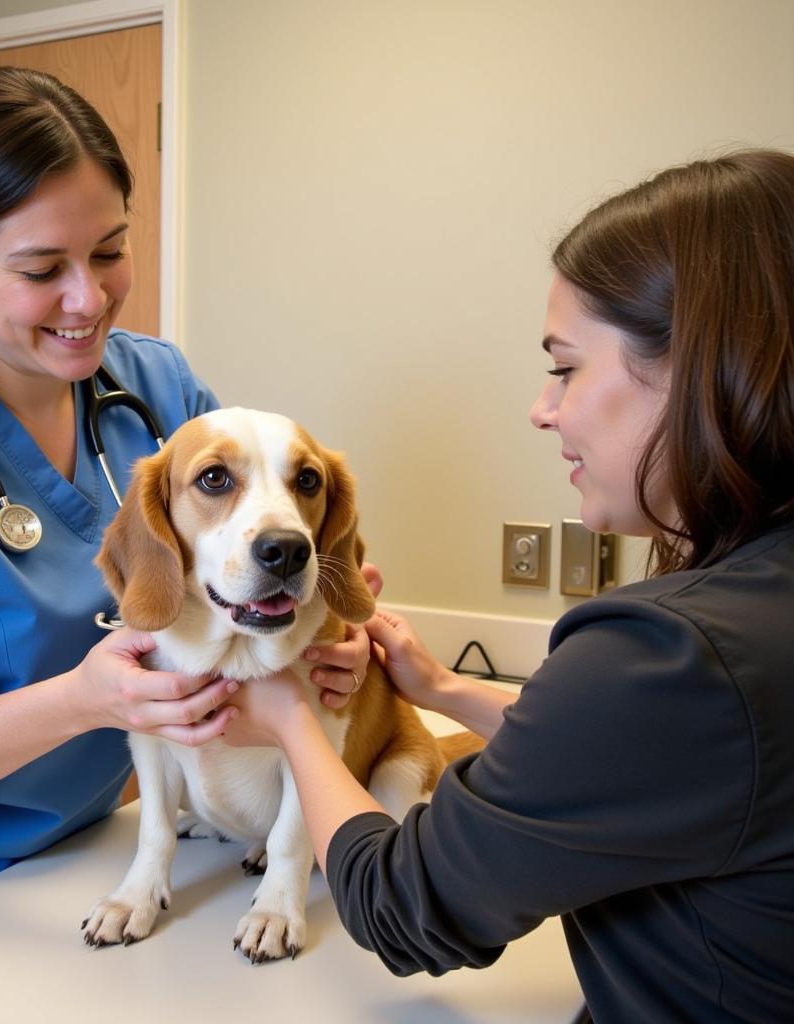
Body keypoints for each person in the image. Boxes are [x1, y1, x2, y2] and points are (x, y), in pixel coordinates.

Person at [0, 66, 368, 972]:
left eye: (110, 250)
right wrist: (85, 701)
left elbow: (248, 562)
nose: (88, 299)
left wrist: (332, 637)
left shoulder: (155, 388)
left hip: (93, 845)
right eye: (42, 269)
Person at [223, 149, 794, 1022]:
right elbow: (658, 757)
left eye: (565, 367)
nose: (542, 408)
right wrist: (444, 689)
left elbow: (402, 907)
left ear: (704, 366)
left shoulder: (675, 655)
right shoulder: (753, 615)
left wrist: (290, 716)